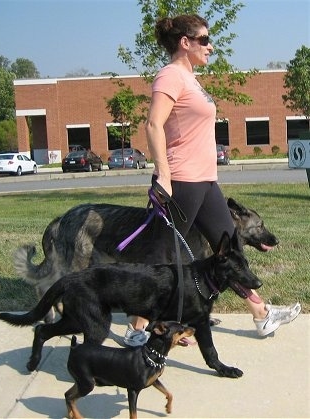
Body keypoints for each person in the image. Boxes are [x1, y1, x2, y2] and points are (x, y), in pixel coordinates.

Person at [124, 14, 301, 347]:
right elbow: (152, 125)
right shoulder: (171, 76)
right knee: (163, 255)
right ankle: (136, 328)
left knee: (230, 248)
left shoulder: (192, 79)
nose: (211, 46)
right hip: (181, 181)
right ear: (185, 42)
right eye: (204, 40)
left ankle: (261, 315)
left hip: (205, 181)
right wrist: (163, 173)